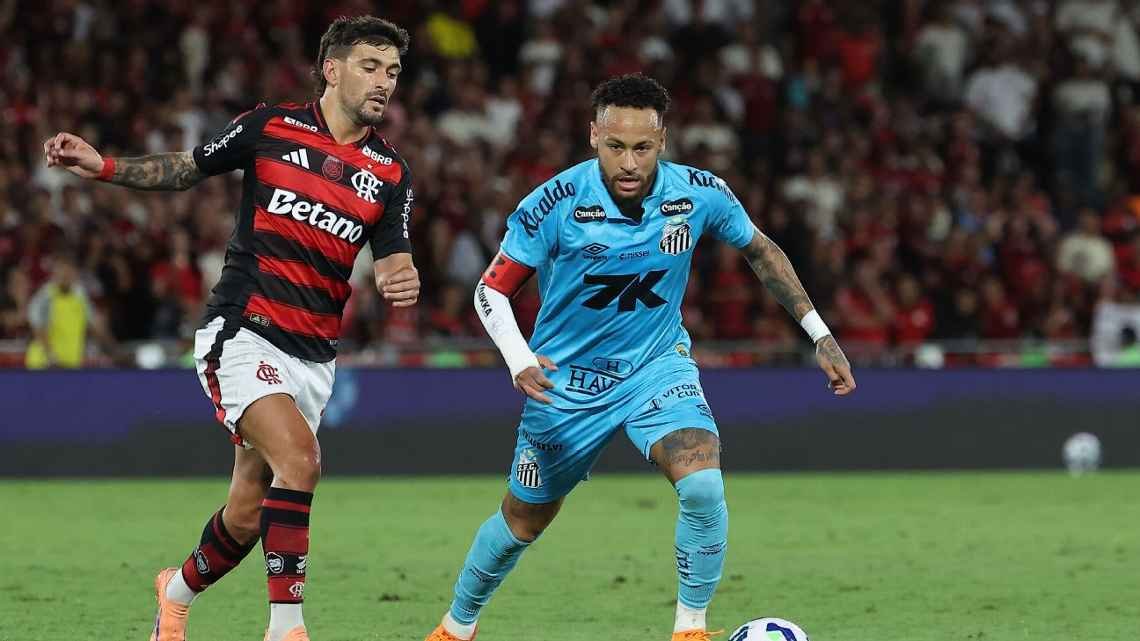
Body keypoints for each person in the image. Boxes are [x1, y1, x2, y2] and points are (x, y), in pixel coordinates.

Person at [424, 73, 856, 641]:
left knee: (702, 485)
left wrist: (819, 333)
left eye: (643, 147)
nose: (629, 163)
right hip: (565, 384)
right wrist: (518, 357)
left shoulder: (698, 192)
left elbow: (762, 251)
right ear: (593, 137)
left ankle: (690, 630)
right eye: (615, 146)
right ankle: (456, 627)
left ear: (663, 141)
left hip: (656, 367)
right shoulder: (553, 203)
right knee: (522, 521)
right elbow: (490, 290)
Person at [43, 16, 420, 641]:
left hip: (314, 356)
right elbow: (186, 168)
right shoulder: (270, 127)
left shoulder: (391, 172)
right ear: (332, 70)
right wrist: (103, 165)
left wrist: (400, 278)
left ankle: (175, 592)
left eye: (393, 72)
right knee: (301, 462)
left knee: (246, 512)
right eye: (371, 67)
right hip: (245, 331)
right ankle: (286, 629)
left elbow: (393, 258)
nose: (385, 82)